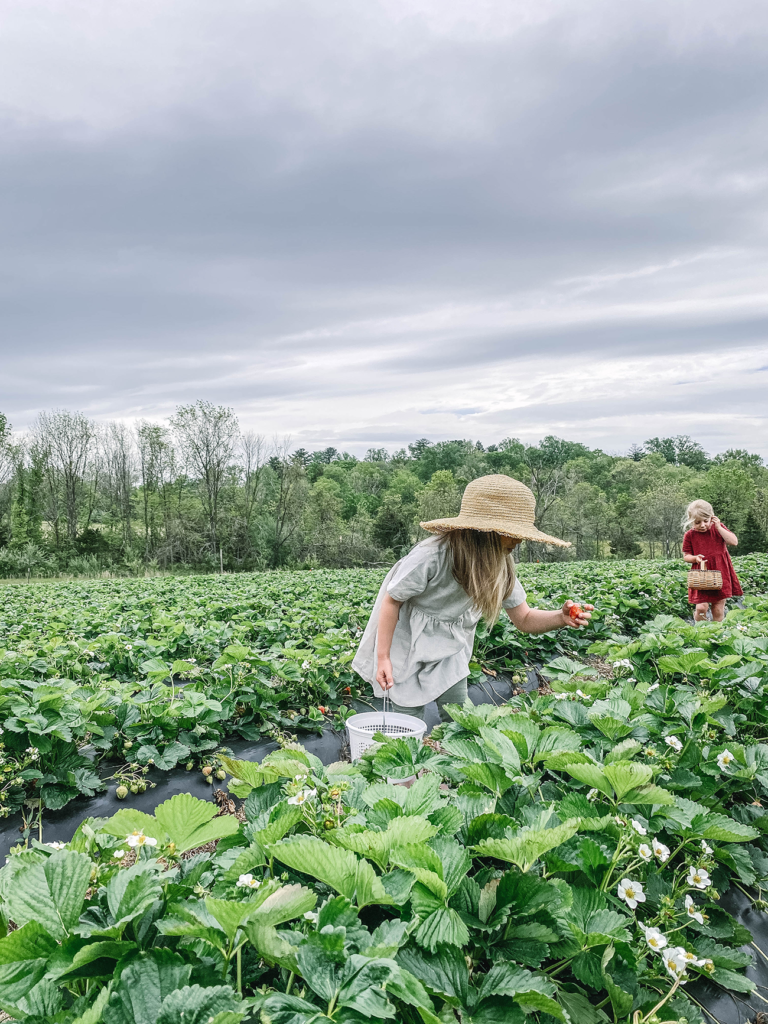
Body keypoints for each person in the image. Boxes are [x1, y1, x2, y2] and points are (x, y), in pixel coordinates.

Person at [352, 474, 593, 722]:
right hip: (407, 643)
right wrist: (383, 657)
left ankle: (454, 759)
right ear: (485, 532)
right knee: (405, 723)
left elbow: (524, 618)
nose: (519, 540)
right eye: (511, 532)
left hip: (451, 649)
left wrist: (561, 617)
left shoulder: (500, 565)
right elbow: (392, 600)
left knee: (459, 721)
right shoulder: (432, 556)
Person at [682, 499, 742, 623]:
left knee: (718, 608)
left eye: (706, 521)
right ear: (691, 521)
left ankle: (717, 633)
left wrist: (719, 527)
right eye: (697, 522)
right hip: (701, 575)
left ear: (712, 518)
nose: (702, 525)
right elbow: (686, 556)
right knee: (701, 607)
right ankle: (700, 630)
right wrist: (695, 558)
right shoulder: (690, 535)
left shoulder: (717, 529)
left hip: (720, 572)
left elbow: (734, 542)